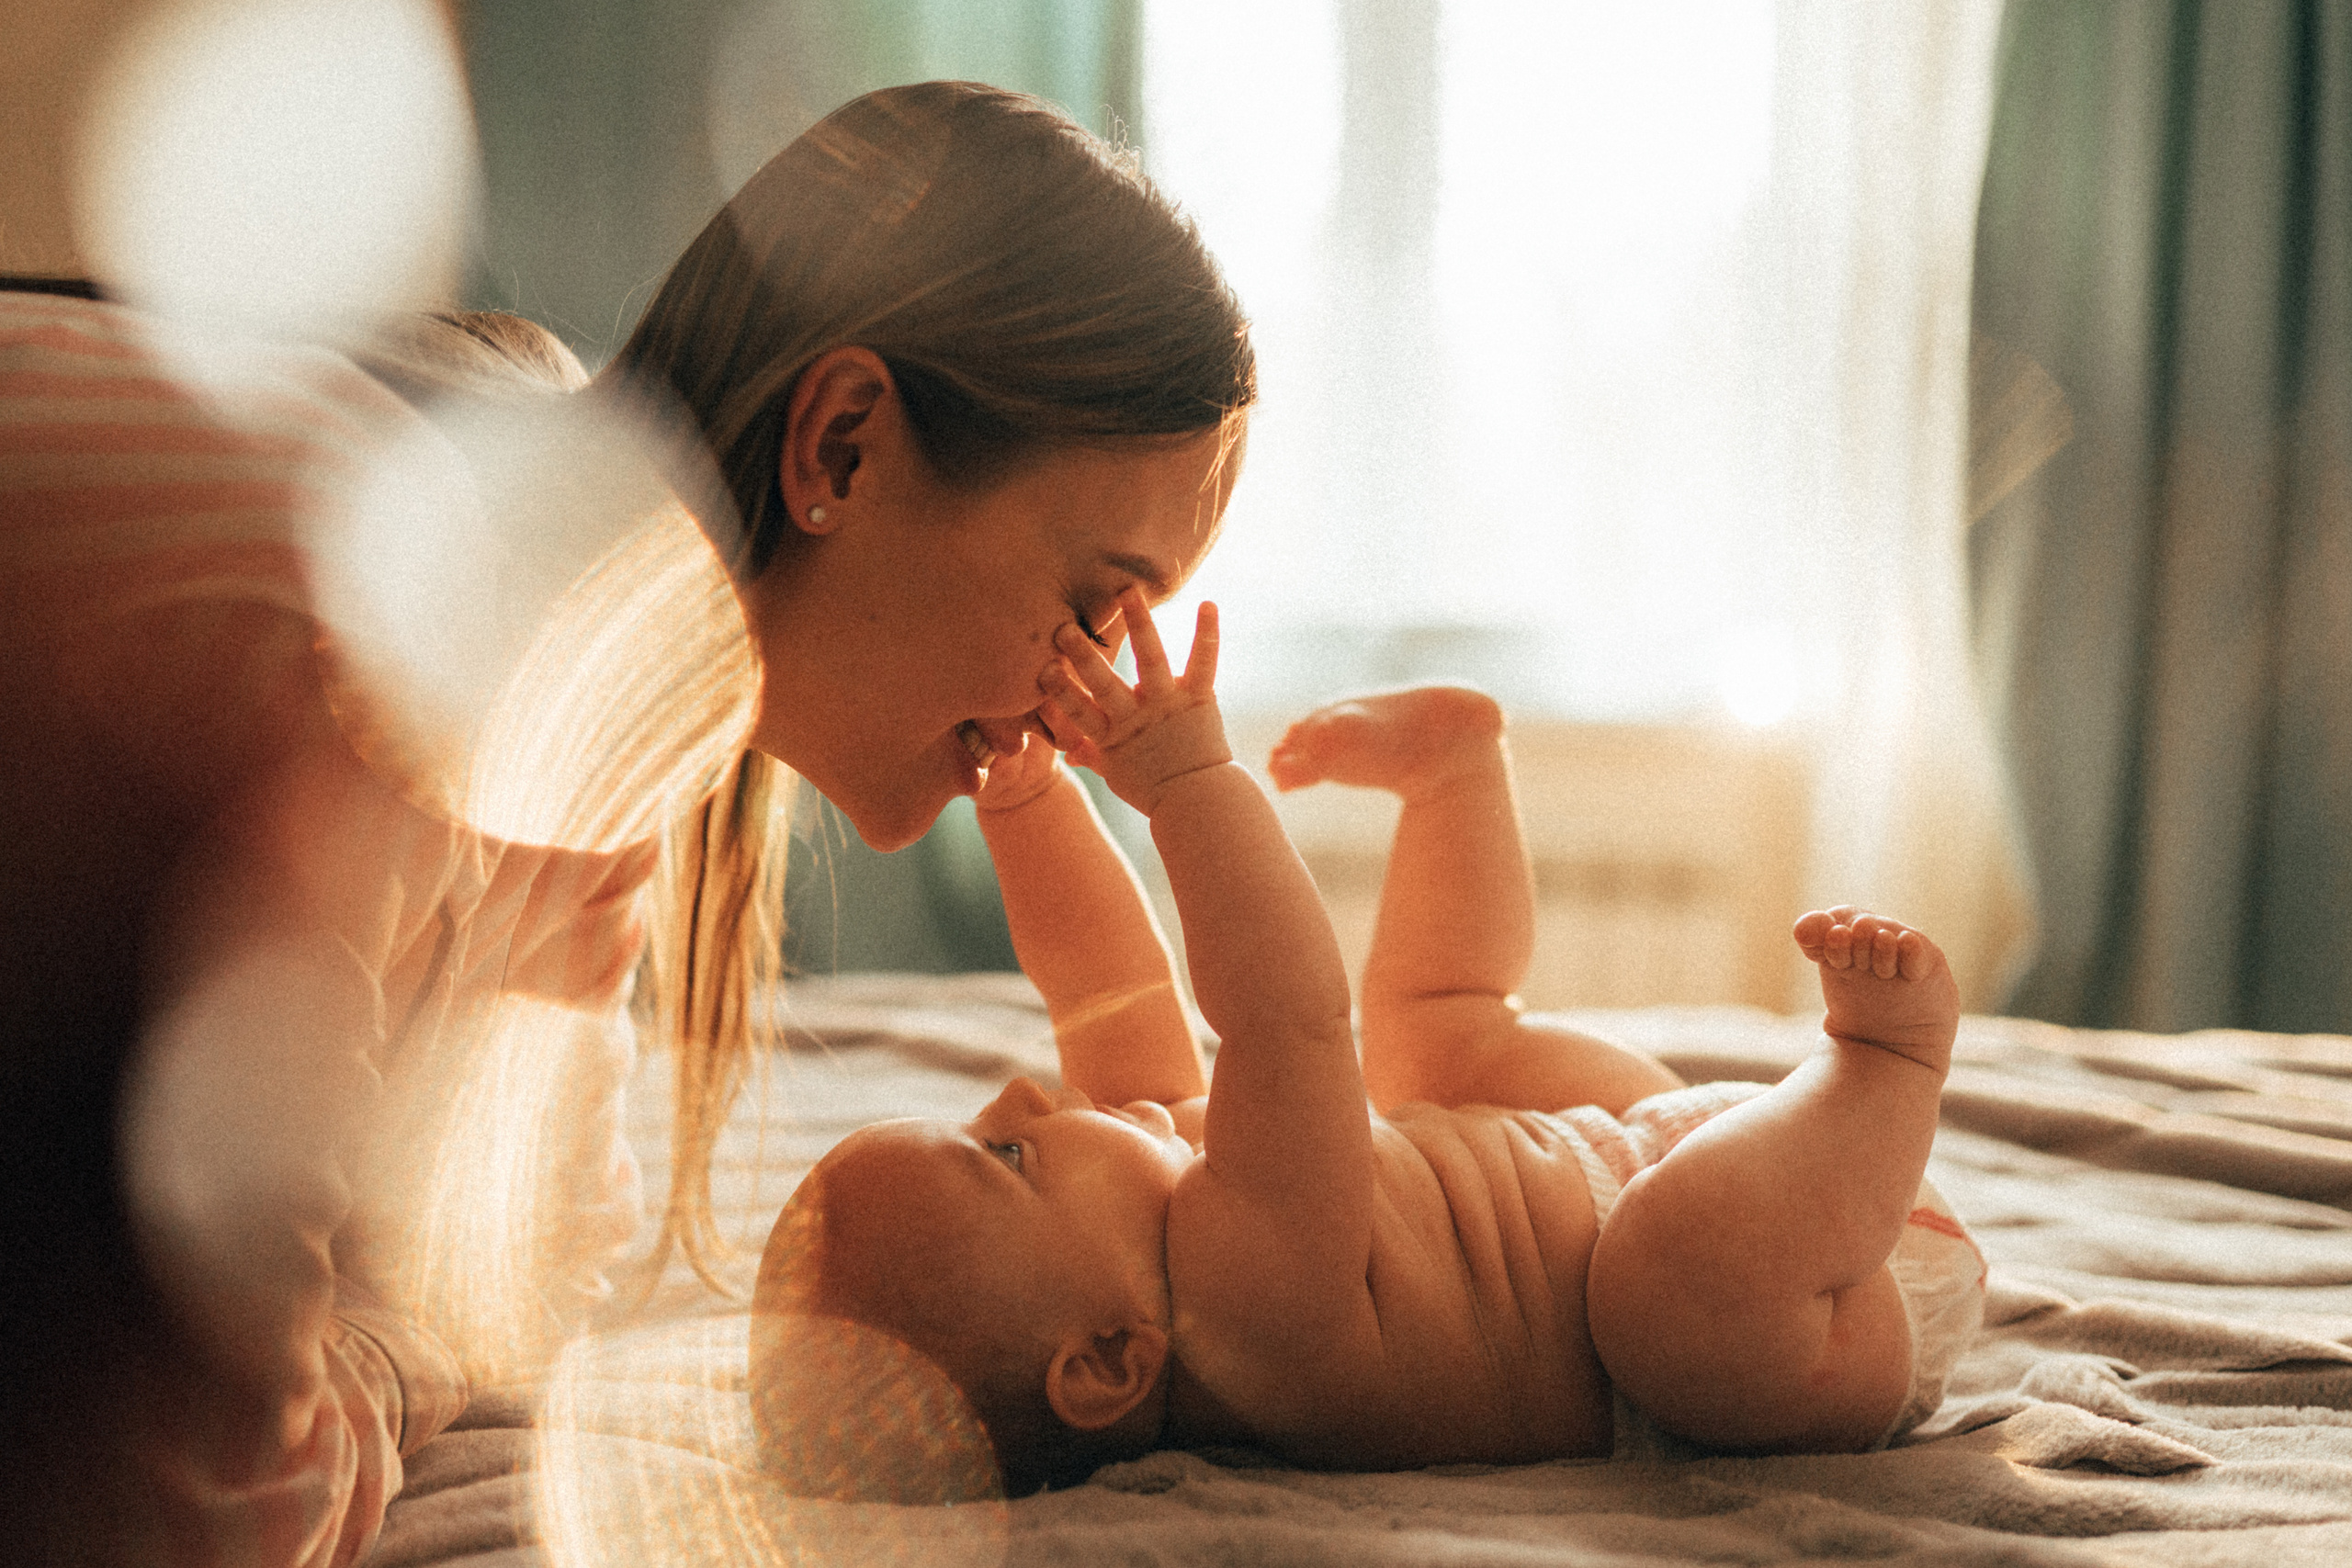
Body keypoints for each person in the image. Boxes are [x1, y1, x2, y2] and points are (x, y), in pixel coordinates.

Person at [0, 79, 1251, 1566]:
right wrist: (388, 1355)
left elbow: (533, 1242)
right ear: (840, 446)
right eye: (1088, 608)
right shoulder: (403, 684)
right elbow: (202, 1511)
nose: (1082, 706)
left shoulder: (584, 772)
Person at [753, 592, 1987, 1498]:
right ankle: (1882, 1071)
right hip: (1794, 1306)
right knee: (1661, 1283)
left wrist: (1022, 799)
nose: (1021, 1096)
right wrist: (1188, 786)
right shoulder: (1249, 1317)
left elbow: (1102, 984)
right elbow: (1284, 1018)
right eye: (1004, 1162)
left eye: (987, 1126)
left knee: (1442, 1043)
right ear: (1110, 1362)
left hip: (1632, 1149)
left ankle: (1458, 778)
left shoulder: (1154, 1204)